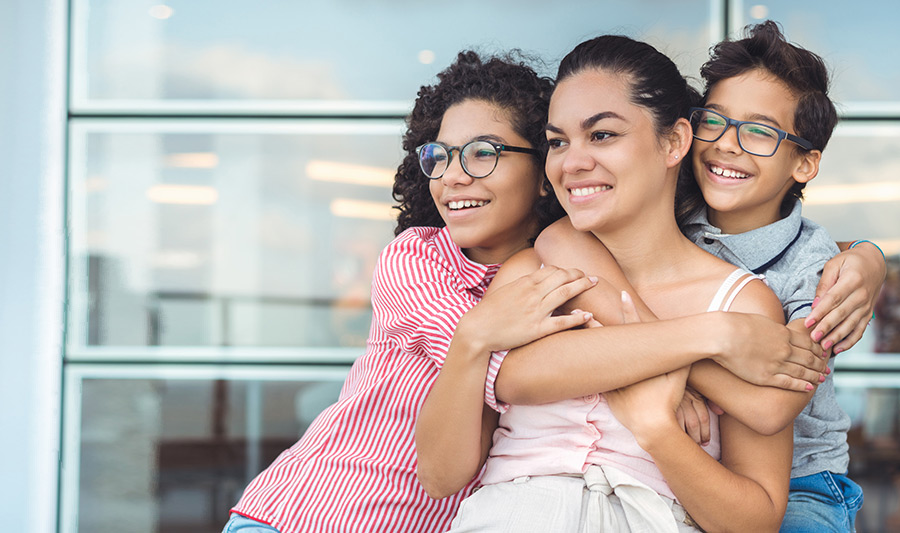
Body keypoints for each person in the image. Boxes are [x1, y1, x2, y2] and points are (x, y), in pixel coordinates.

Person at [417, 33, 884, 532]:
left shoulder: (756, 297)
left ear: (675, 141)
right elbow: (457, 455)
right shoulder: (532, 271)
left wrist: (656, 428)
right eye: (557, 142)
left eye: (602, 135)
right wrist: (705, 340)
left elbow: (759, 501)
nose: (572, 162)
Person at [222, 51, 601, 533]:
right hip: (302, 518)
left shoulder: (562, 272)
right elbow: (513, 374)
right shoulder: (415, 259)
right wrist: (659, 373)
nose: (452, 176)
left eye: (483, 152)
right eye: (439, 156)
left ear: (546, 173)